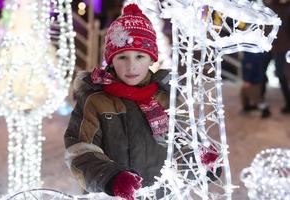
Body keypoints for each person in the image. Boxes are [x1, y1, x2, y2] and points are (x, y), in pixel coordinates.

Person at [64, 4, 220, 200]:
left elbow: (182, 145)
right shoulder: (95, 101)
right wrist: (112, 178)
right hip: (112, 195)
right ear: (111, 60)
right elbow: (80, 150)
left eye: (139, 56)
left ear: (151, 58)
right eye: (122, 57)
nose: (131, 66)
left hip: (160, 195)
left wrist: (201, 163)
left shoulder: (166, 98)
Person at [261, 0, 290, 114]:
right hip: (267, 45)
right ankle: (261, 104)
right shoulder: (267, 6)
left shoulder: (286, 7)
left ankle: (288, 102)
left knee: (280, 74)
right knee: (261, 73)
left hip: (282, 47)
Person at [240, 52, 271, 118]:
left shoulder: (253, 57)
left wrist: (249, 81)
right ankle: (247, 107)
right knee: (243, 94)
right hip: (248, 80)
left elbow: (252, 69)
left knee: (256, 98)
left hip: (253, 82)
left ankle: (265, 110)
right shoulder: (247, 56)